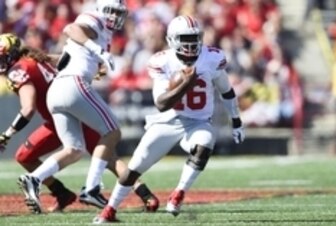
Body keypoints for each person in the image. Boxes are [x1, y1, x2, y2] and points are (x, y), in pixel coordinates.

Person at [93, 15, 246, 223]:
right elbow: (162, 103)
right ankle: (109, 210)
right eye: (184, 38)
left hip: (198, 122)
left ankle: (179, 193)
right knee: (134, 168)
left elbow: (226, 92)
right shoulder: (162, 61)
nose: (191, 43)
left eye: (194, 37)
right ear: (173, 39)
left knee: (206, 141)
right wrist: (185, 83)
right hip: (167, 120)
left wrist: (236, 120)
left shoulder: (211, 58)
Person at [16, 0, 158, 214]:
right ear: (100, 9)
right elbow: (71, 28)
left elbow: (64, 59)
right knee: (112, 132)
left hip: (59, 89)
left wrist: (93, 65)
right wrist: (97, 50)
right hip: (74, 84)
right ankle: (91, 188)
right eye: (110, 11)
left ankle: (34, 179)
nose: (113, 17)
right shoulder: (94, 19)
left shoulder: (104, 32)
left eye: (118, 13)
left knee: (74, 149)